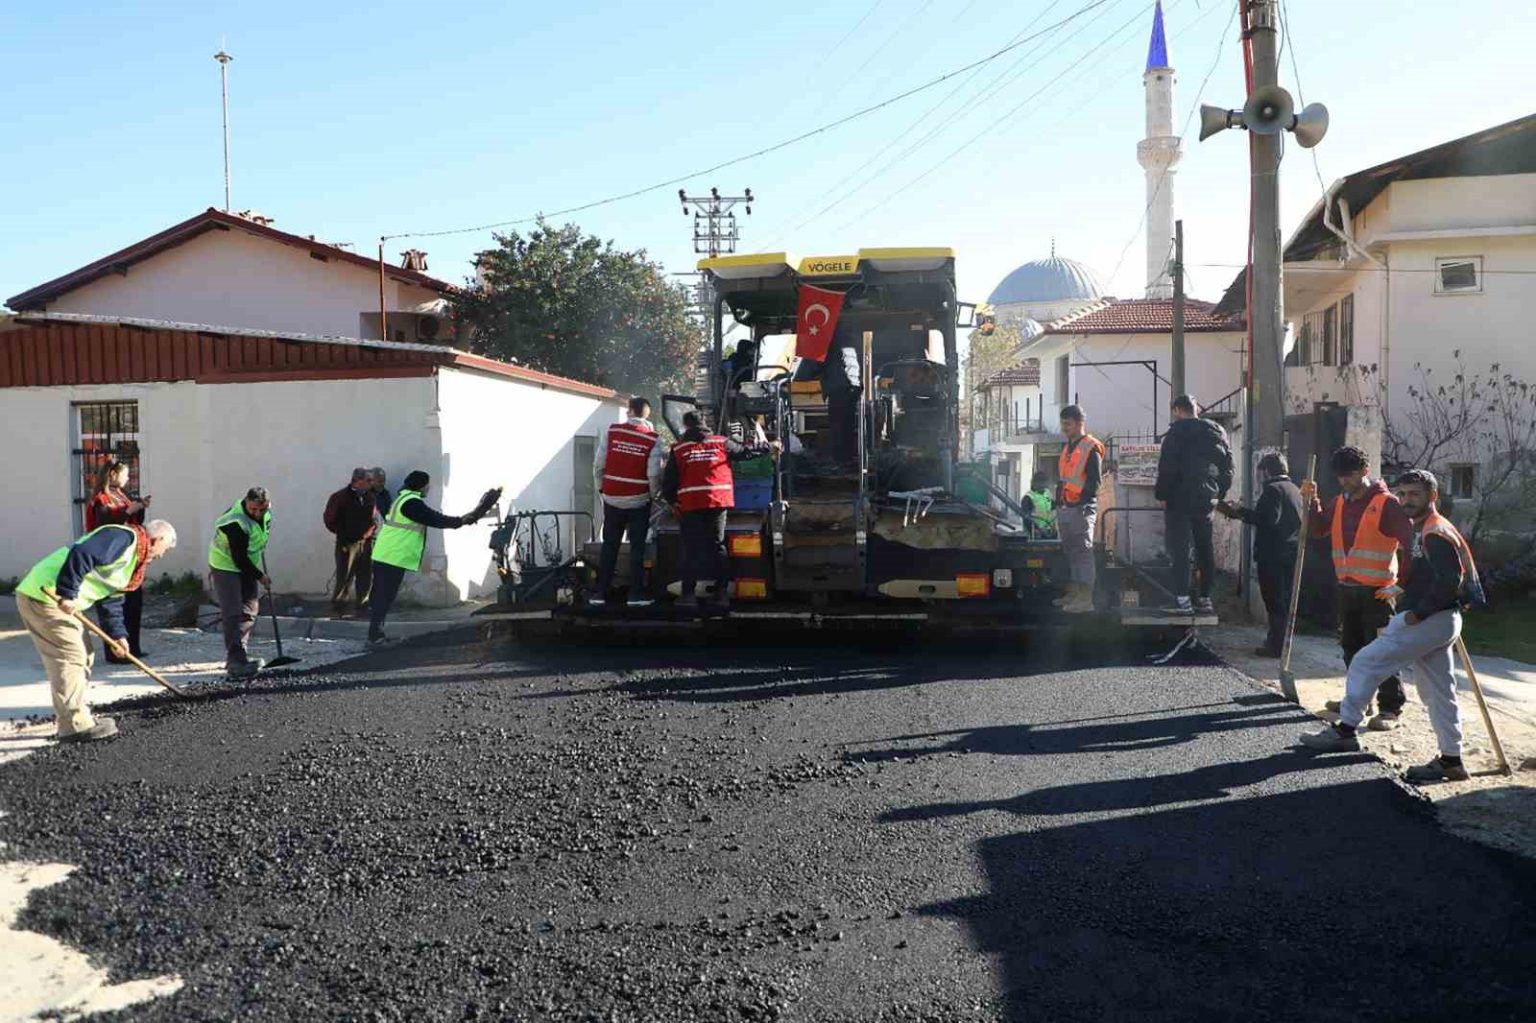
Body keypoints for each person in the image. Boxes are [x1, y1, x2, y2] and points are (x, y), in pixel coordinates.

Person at [1301, 470, 1485, 782]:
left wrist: (1419, 613)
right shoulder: (1427, 527)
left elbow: (1450, 580)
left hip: (1429, 620)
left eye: (1414, 494)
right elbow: (1430, 574)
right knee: (1439, 692)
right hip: (1441, 620)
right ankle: (1451, 760)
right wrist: (1403, 590)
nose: (1406, 500)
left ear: (1432, 496)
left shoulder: (1434, 531)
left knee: (1365, 661)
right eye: (1402, 494)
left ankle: (1345, 731)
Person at [15, 519, 178, 742]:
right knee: (71, 656)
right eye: (165, 549)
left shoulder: (132, 562)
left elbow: (110, 599)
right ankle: (74, 725)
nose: (161, 555)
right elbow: (82, 554)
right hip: (45, 595)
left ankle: (76, 714)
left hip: (54, 600)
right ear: (157, 539)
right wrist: (68, 593)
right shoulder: (123, 538)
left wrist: (117, 635)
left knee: (85, 653)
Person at [1300, 445, 1416, 731]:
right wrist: (1311, 501)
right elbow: (1318, 529)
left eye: (1349, 475)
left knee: (1382, 651)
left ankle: (1390, 708)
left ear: (1365, 471)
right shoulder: (1339, 502)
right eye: (1340, 476)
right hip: (1347, 588)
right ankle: (1358, 700)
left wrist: (1402, 584)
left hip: (1378, 592)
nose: (1344, 481)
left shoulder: (1387, 504)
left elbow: (1411, 542)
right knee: (1351, 648)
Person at [369, 471, 502, 646]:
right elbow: (435, 519)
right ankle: (375, 636)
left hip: (388, 554)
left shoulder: (404, 498)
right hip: (392, 555)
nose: (429, 487)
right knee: (384, 597)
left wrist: (464, 519)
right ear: (421, 486)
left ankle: (377, 633)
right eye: (427, 484)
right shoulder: (411, 503)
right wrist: (461, 521)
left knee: (383, 596)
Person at [662, 411, 775, 609]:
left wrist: (672, 501)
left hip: (691, 503)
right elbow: (746, 453)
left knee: (691, 549)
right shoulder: (722, 442)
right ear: (705, 423)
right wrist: (770, 446)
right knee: (717, 546)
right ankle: (722, 594)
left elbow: (669, 481)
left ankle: (688, 595)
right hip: (717, 501)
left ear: (686, 426)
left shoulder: (679, 449)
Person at [1154, 395, 1234, 615]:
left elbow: (1167, 468)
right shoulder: (1217, 432)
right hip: (1206, 499)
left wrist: (1162, 494)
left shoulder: (1175, 434)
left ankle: (1182, 601)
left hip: (1178, 499)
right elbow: (1228, 467)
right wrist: (1219, 492)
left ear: (1177, 410)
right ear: (1196, 409)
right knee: (1204, 548)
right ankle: (1205, 598)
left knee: (1179, 549)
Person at [1219, 453, 1304, 655]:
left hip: (1272, 555)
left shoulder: (1273, 490)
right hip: (1290, 552)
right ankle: (1281, 642)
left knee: (1274, 601)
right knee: (1283, 600)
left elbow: (1267, 519)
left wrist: (1239, 511)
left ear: (1266, 471)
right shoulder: (1295, 490)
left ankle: (1276, 645)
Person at [591, 397, 666, 608]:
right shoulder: (653, 439)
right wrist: (653, 495)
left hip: (612, 498)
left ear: (631, 412)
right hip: (638, 501)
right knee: (637, 548)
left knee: (609, 546)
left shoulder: (612, 431)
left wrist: (602, 488)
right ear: (646, 414)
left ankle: (600, 594)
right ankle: (635, 595)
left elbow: (598, 465)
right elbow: (653, 474)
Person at [84, 459, 152, 661]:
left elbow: (134, 521)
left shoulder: (121, 495)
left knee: (133, 604)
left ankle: (133, 648)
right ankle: (115, 652)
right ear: (113, 475)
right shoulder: (101, 499)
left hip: (130, 557)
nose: (128, 478)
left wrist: (140, 507)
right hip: (110, 558)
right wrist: (128, 511)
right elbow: (106, 526)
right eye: (125, 474)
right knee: (113, 606)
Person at [208, 487, 273, 680]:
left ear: (267, 505)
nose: (256, 513)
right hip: (225, 564)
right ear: (246, 502)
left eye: (261, 509)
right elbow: (239, 559)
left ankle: (241, 654)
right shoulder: (235, 522)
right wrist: (260, 575)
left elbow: (259, 535)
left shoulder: (266, 513)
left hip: (247, 563)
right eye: (253, 509)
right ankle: (235, 661)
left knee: (250, 608)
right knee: (232, 611)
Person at [1054, 405, 1104, 614]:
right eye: (1063, 423)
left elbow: (1095, 482)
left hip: (1081, 509)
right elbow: (1064, 480)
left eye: (1068, 424)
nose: (1064, 428)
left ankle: (1085, 600)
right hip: (1066, 507)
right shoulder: (1068, 447)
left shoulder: (1090, 447)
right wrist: (1058, 502)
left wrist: (1081, 503)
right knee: (1072, 552)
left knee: (1083, 554)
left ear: (1079, 423)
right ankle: (1074, 594)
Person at [324, 467, 378, 617]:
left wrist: (370, 532)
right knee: (345, 576)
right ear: (357, 481)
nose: (371, 483)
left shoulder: (370, 497)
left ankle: (363, 606)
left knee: (366, 575)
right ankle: (339, 609)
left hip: (366, 542)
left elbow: (374, 518)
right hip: (347, 543)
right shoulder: (340, 497)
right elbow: (329, 519)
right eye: (368, 480)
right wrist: (345, 533)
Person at [1025, 471, 1056, 538]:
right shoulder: (1028, 498)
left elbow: (1054, 509)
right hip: (1035, 535)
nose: (1042, 485)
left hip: (1049, 532)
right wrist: (1036, 530)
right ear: (1034, 483)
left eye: (1044, 483)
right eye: (1040, 483)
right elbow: (1026, 518)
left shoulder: (1047, 493)